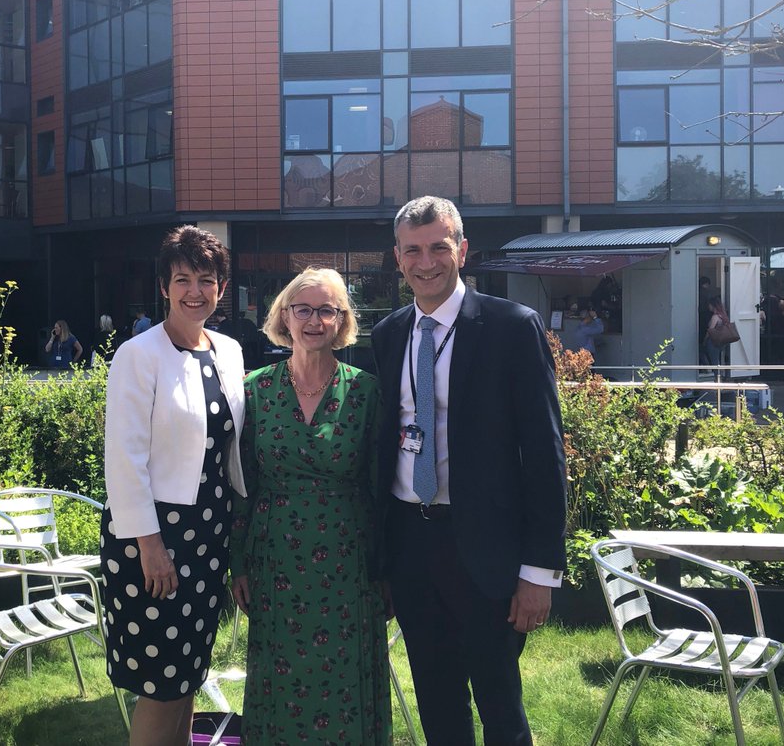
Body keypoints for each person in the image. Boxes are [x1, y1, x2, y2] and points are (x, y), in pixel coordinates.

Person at [370, 196, 566, 746]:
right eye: (413, 250)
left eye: (438, 246)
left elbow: (544, 453)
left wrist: (540, 572)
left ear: (462, 249)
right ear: (397, 257)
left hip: (487, 550)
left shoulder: (511, 327)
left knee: (499, 699)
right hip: (411, 543)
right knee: (436, 696)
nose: (426, 261)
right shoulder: (388, 335)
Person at [100, 225, 247, 746]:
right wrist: (151, 546)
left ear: (221, 288)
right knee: (160, 684)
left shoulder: (228, 351)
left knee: (189, 672)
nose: (194, 292)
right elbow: (123, 460)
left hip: (208, 537)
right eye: (182, 279)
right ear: (164, 286)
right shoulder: (138, 355)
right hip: (152, 540)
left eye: (206, 280)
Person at [230, 267, 390, 745]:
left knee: (346, 679)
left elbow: (382, 488)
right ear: (284, 316)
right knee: (277, 676)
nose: (314, 320)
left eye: (327, 310)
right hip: (274, 560)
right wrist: (238, 563)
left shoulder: (366, 392)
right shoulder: (254, 389)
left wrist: (386, 568)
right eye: (304, 309)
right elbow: (243, 485)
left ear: (342, 321)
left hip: (349, 564)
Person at [703, 295, 730, 371]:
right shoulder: (723, 316)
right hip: (721, 342)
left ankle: (715, 376)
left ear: (713, 305)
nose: (708, 306)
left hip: (713, 342)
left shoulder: (715, 317)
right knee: (717, 359)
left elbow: (710, 330)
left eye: (709, 305)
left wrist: (705, 340)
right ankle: (718, 375)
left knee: (713, 361)